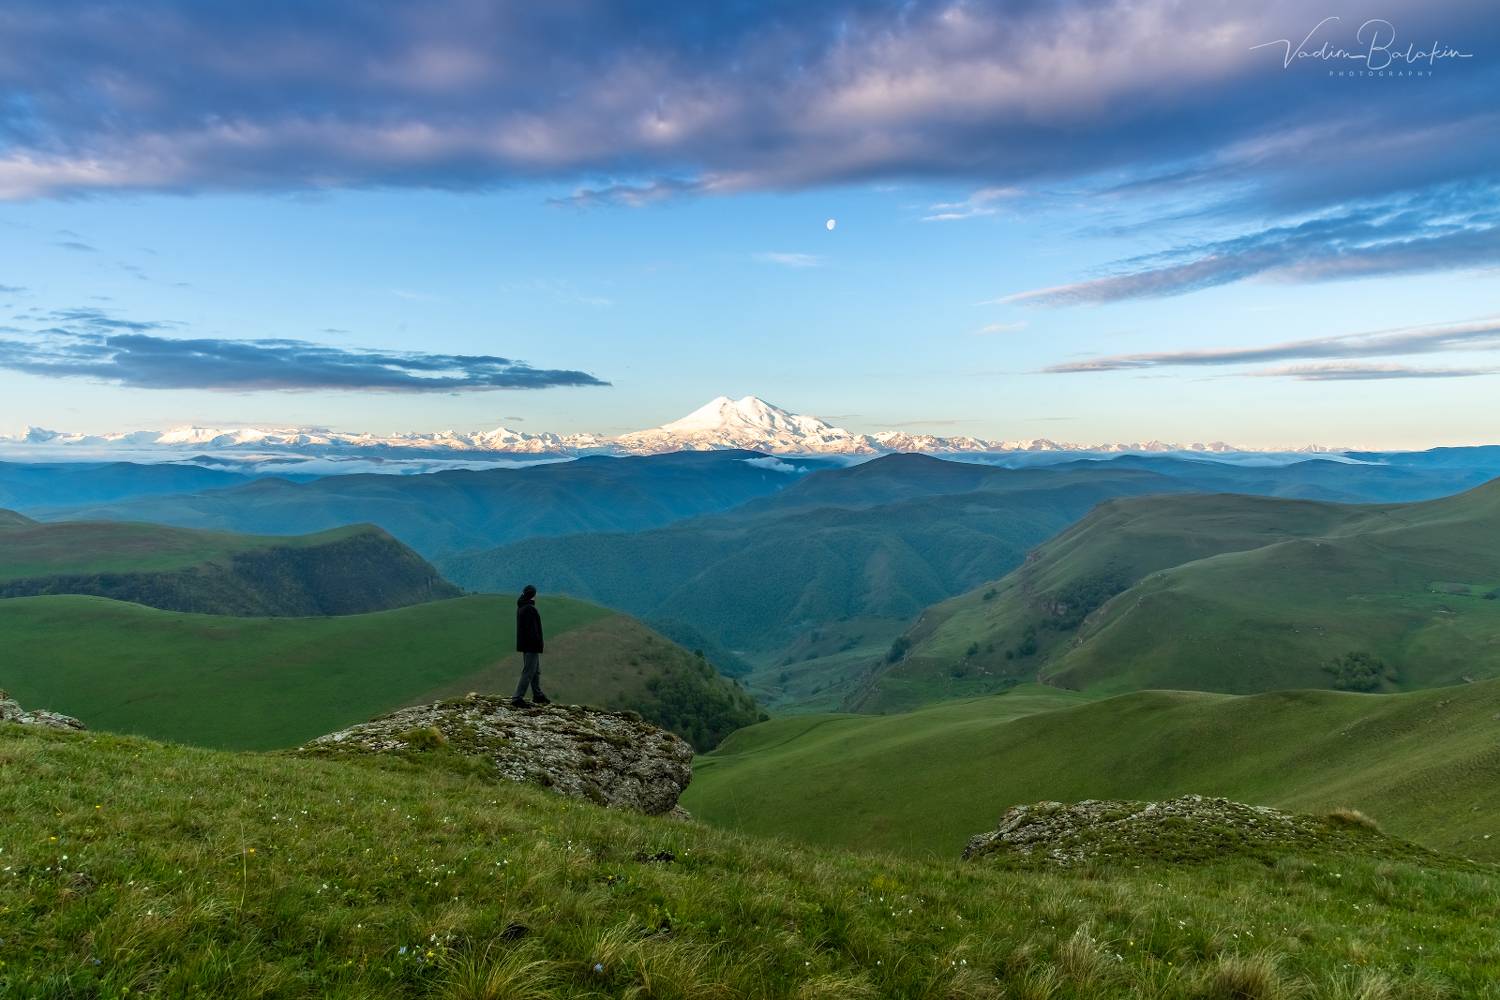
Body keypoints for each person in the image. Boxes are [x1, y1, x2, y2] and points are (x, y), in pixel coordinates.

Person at [513, 584, 550, 706]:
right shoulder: (530, 609)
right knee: (529, 671)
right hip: (531, 645)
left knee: (535, 670)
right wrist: (538, 644)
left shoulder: (522, 607)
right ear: (533, 595)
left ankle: (538, 695)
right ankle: (517, 698)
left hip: (526, 644)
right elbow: (533, 630)